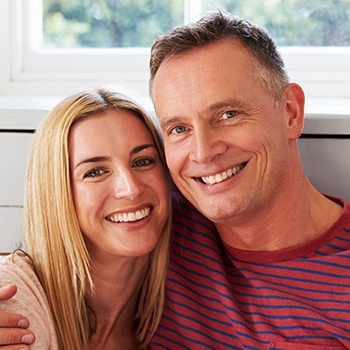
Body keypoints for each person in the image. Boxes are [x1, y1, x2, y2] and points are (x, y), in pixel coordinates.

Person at [2, 10, 350, 349]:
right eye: (179, 128)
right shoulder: (156, 225)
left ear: (290, 112)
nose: (203, 152)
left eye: (228, 114)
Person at [0, 87, 172, 349]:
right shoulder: (16, 303)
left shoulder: (179, 309)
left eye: (142, 161)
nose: (131, 188)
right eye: (95, 172)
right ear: (57, 194)